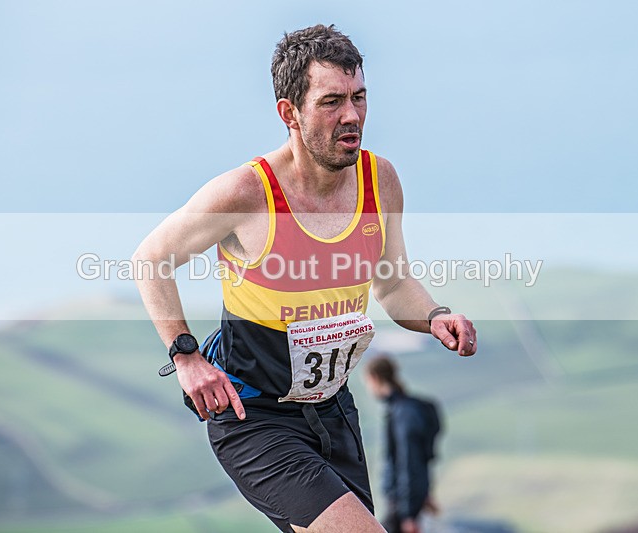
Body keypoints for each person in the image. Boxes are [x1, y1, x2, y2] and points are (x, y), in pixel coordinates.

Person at [132, 24, 477, 533]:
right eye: (332, 101)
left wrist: (435, 316)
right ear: (289, 112)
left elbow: (392, 281)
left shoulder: (380, 180)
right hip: (255, 417)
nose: (353, 116)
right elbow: (150, 258)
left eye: (359, 97)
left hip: (333, 412)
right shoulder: (245, 194)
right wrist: (185, 356)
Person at [364, 355, 444, 533]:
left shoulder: (402, 414)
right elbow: (423, 457)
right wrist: (424, 493)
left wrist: (408, 514)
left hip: (401, 505)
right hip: (409, 500)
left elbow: (409, 461)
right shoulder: (408, 409)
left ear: (374, 378)